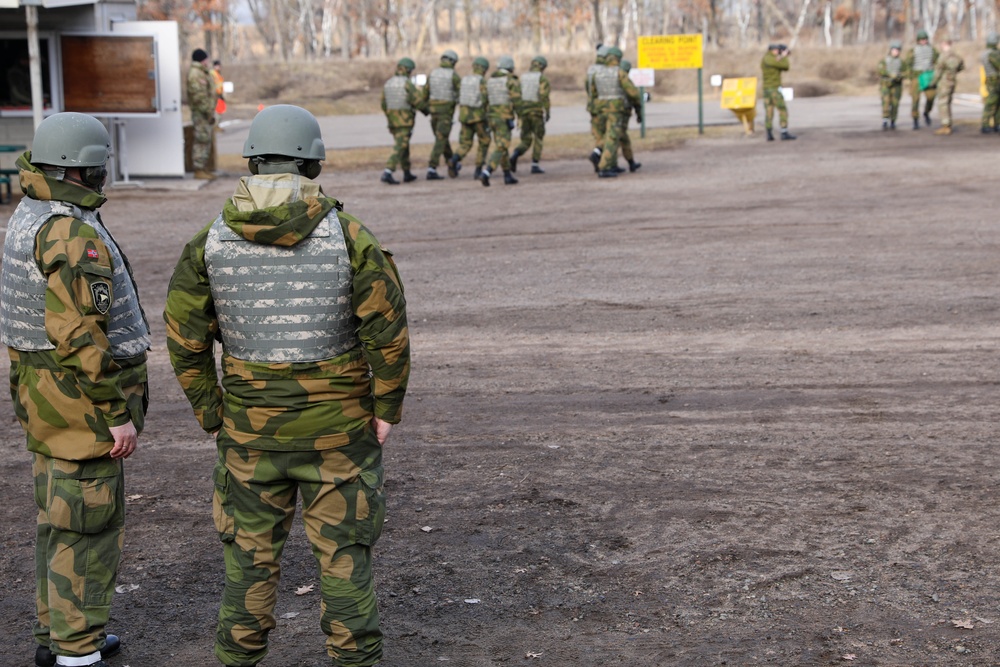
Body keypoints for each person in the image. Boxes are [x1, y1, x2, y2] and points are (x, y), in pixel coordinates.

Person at [164, 104, 409, 667]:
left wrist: (212, 411)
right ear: (312, 163)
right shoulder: (350, 236)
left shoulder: (210, 241)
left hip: (249, 433)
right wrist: (387, 406)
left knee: (248, 565)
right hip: (340, 431)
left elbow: (185, 337)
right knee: (345, 559)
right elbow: (387, 331)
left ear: (251, 160)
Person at [1, 112, 150, 667]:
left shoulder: (31, 211)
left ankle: (54, 637)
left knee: (58, 520)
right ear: (86, 170)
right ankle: (77, 650)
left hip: (44, 398)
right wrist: (114, 410)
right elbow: (79, 331)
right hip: (78, 403)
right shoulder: (69, 230)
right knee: (87, 526)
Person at [592, 46, 642, 178]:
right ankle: (604, 167)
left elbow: (593, 92)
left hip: (600, 110)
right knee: (612, 138)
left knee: (606, 137)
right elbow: (632, 92)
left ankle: (601, 157)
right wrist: (638, 101)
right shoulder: (619, 73)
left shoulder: (597, 73)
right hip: (615, 111)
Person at [380, 57, 426, 185]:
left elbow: (383, 103)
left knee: (403, 146)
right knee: (400, 146)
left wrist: (390, 116)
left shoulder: (388, 83)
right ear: (408, 70)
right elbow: (417, 101)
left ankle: (407, 172)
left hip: (393, 121)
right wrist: (427, 110)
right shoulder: (407, 83)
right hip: (404, 121)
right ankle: (388, 171)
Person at [448, 56, 491, 180]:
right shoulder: (481, 81)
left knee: (465, 143)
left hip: (464, 116)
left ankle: (454, 159)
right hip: (478, 117)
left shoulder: (465, 79)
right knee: (484, 141)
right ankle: (478, 170)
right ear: (484, 69)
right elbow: (484, 99)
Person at [481, 55, 521, 187]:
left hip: (492, 118)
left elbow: (484, 100)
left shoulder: (490, 81)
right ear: (510, 68)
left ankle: (507, 174)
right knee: (502, 146)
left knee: (502, 146)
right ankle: (487, 172)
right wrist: (520, 116)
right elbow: (517, 101)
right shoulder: (511, 81)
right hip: (504, 118)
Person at [422, 49, 461, 179]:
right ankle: (432, 168)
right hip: (446, 113)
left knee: (441, 138)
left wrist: (427, 108)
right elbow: (461, 93)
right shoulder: (453, 75)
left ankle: (452, 162)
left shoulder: (432, 74)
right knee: (441, 139)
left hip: (434, 113)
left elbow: (425, 94)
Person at [510, 55, 551, 174]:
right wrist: (547, 112)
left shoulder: (522, 78)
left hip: (523, 112)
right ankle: (535, 164)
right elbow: (544, 97)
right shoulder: (542, 79)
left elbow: (516, 95)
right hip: (536, 112)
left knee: (526, 139)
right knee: (538, 137)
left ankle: (515, 155)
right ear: (542, 67)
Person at [187, 48, 216, 180]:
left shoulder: (201, 72)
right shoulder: (196, 74)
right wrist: (208, 111)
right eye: (206, 59)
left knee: (205, 139)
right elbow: (199, 96)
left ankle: (203, 168)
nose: (208, 61)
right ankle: (198, 169)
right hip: (201, 113)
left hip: (204, 112)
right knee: (201, 140)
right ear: (202, 59)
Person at [904, 30, 939, 129]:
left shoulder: (932, 50)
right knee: (915, 99)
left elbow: (938, 62)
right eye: (921, 39)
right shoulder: (913, 51)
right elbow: (908, 64)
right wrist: (910, 77)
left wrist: (936, 74)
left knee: (931, 97)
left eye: (925, 39)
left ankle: (926, 112)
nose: (923, 41)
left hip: (929, 76)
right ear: (918, 40)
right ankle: (915, 119)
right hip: (917, 76)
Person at [760, 43, 796, 141]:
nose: (778, 52)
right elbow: (785, 66)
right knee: (782, 109)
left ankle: (769, 133)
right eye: (777, 50)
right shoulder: (770, 58)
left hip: (767, 89)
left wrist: (781, 56)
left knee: (769, 111)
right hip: (773, 88)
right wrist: (784, 57)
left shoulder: (768, 58)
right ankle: (783, 132)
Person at [931, 39, 964, 135]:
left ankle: (946, 125)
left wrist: (933, 82)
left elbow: (938, 71)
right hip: (952, 81)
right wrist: (952, 73)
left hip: (944, 82)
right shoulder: (956, 56)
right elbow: (961, 66)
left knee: (943, 103)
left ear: (943, 44)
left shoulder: (943, 56)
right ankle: (948, 124)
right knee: (948, 103)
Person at [586, 45, 609, 171]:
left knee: (598, 135)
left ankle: (599, 161)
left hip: (592, 106)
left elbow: (587, 86)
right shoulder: (606, 70)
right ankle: (598, 155)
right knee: (609, 134)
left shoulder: (591, 69)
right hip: (603, 107)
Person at [617, 60, 643, 172]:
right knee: (619, 138)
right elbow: (635, 96)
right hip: (621, 113)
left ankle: (630, 162)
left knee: (617, 138)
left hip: (611, 113)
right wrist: (639, 114)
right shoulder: (625, 80)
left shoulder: (612, 78)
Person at [878, 41, 905, 130]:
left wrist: (899, 76)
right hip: (886, 85)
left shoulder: (901, 62)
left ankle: (893, 121)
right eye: (894, 50)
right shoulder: (884, 60)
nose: (896, 52)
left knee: (895, 104)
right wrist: (890, 75)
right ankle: (885, 119)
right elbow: (880, 70)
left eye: (897, 50)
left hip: (897, 86)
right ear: (891, 50)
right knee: (886, 102)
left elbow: (906, 72)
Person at [981, 33, 1000, 132]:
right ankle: (985, 124)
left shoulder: (987, 53)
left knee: (996, 103)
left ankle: (997, 124)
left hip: (992, 80)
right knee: (991, 103)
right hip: (994, 81)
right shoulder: (992, 53)